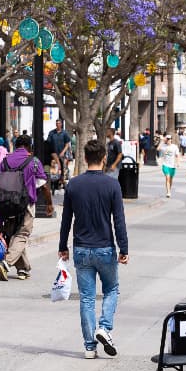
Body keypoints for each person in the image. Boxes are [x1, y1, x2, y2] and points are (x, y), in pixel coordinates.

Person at [59, 139, 130, 359]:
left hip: (81, 248)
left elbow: (66, 219)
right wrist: (124, 247)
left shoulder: (74, 184)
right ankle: (104, 327)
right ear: (104, 158)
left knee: (87, 298)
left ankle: (90, 346)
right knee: (111, 290)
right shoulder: (112, 185)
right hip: (105, 248)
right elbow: (118, 220)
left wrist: (63, 246)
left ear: (84, 158)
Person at [0, 134, 47, 280]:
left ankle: (23, 269)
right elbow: (42, 183)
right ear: (29, 147)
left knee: (14, 235)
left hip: (6, 203)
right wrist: (48, 203)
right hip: (25, 203)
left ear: (16, 146)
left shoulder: (5, 161)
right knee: (22, 235)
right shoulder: (33, 161)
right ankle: (6, 263)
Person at [157, 133, 179, 198]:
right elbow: (158, 149)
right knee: (167, 177)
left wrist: (178, 162)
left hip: (172, 165)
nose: (168, 140)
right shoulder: (163, 146)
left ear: (171, 140)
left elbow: (177, 155)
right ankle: (168, 192)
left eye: (169, 139)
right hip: (165, 164)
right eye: (167, 139)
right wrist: (162, 141)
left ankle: (169, 190)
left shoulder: (174, 146)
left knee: (171, 179)